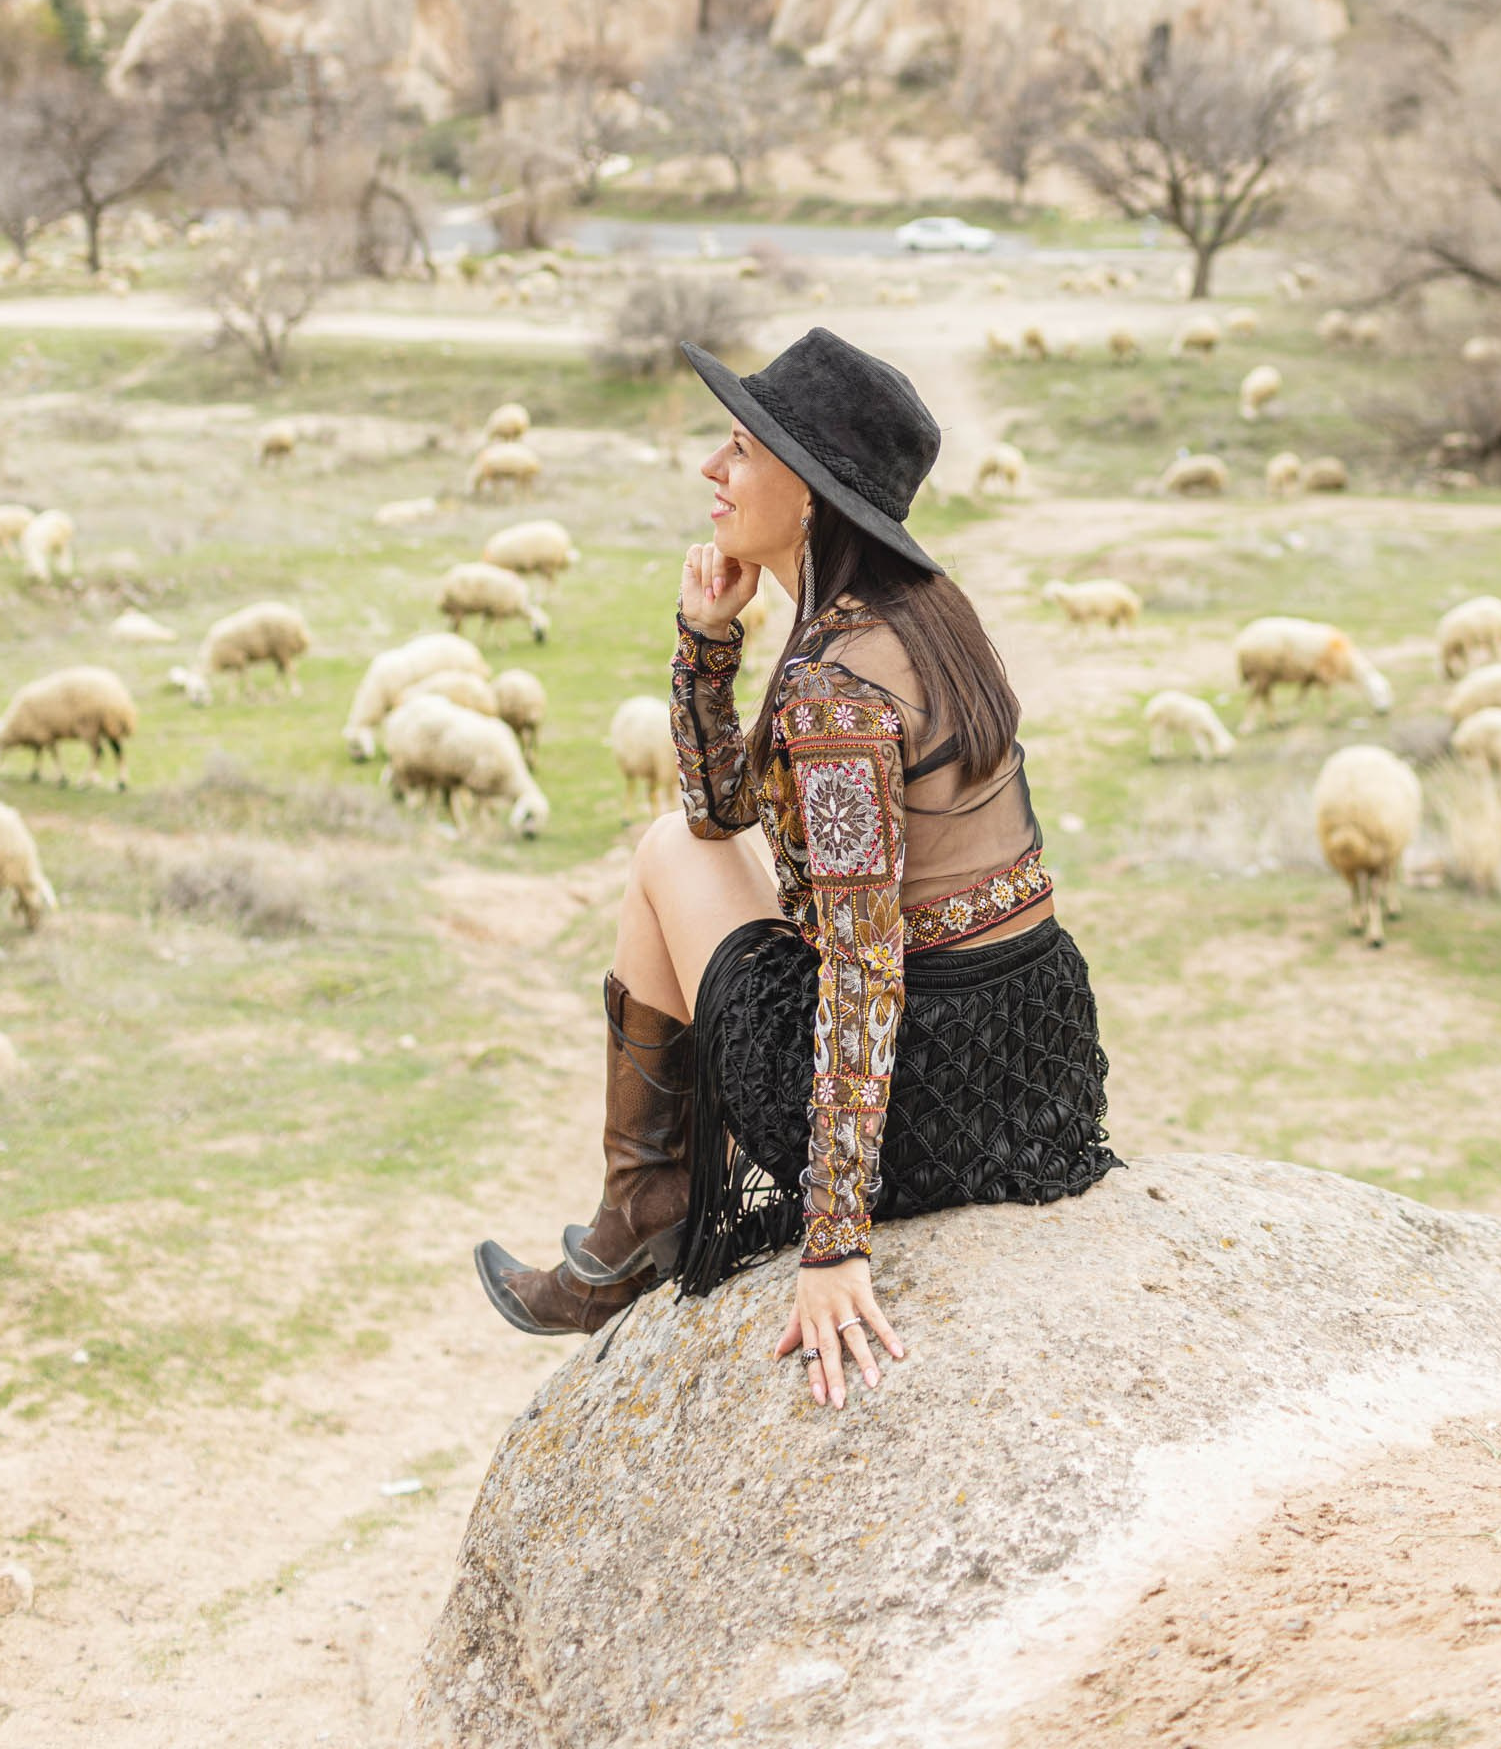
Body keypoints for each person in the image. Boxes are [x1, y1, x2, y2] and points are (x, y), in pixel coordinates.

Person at [475, 326, 1118, 1408]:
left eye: (739, 448)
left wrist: (834, 1247)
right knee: (696, 848)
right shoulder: (924, 612)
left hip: (933, 1097)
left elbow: (855, 958)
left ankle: (635, 1227)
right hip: (1028, 1070)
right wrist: (708, 638)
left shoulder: (836, 688)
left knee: (663, 853)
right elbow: (735, 810)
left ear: (810, 492)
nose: (710, 471)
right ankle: (630, 1225)